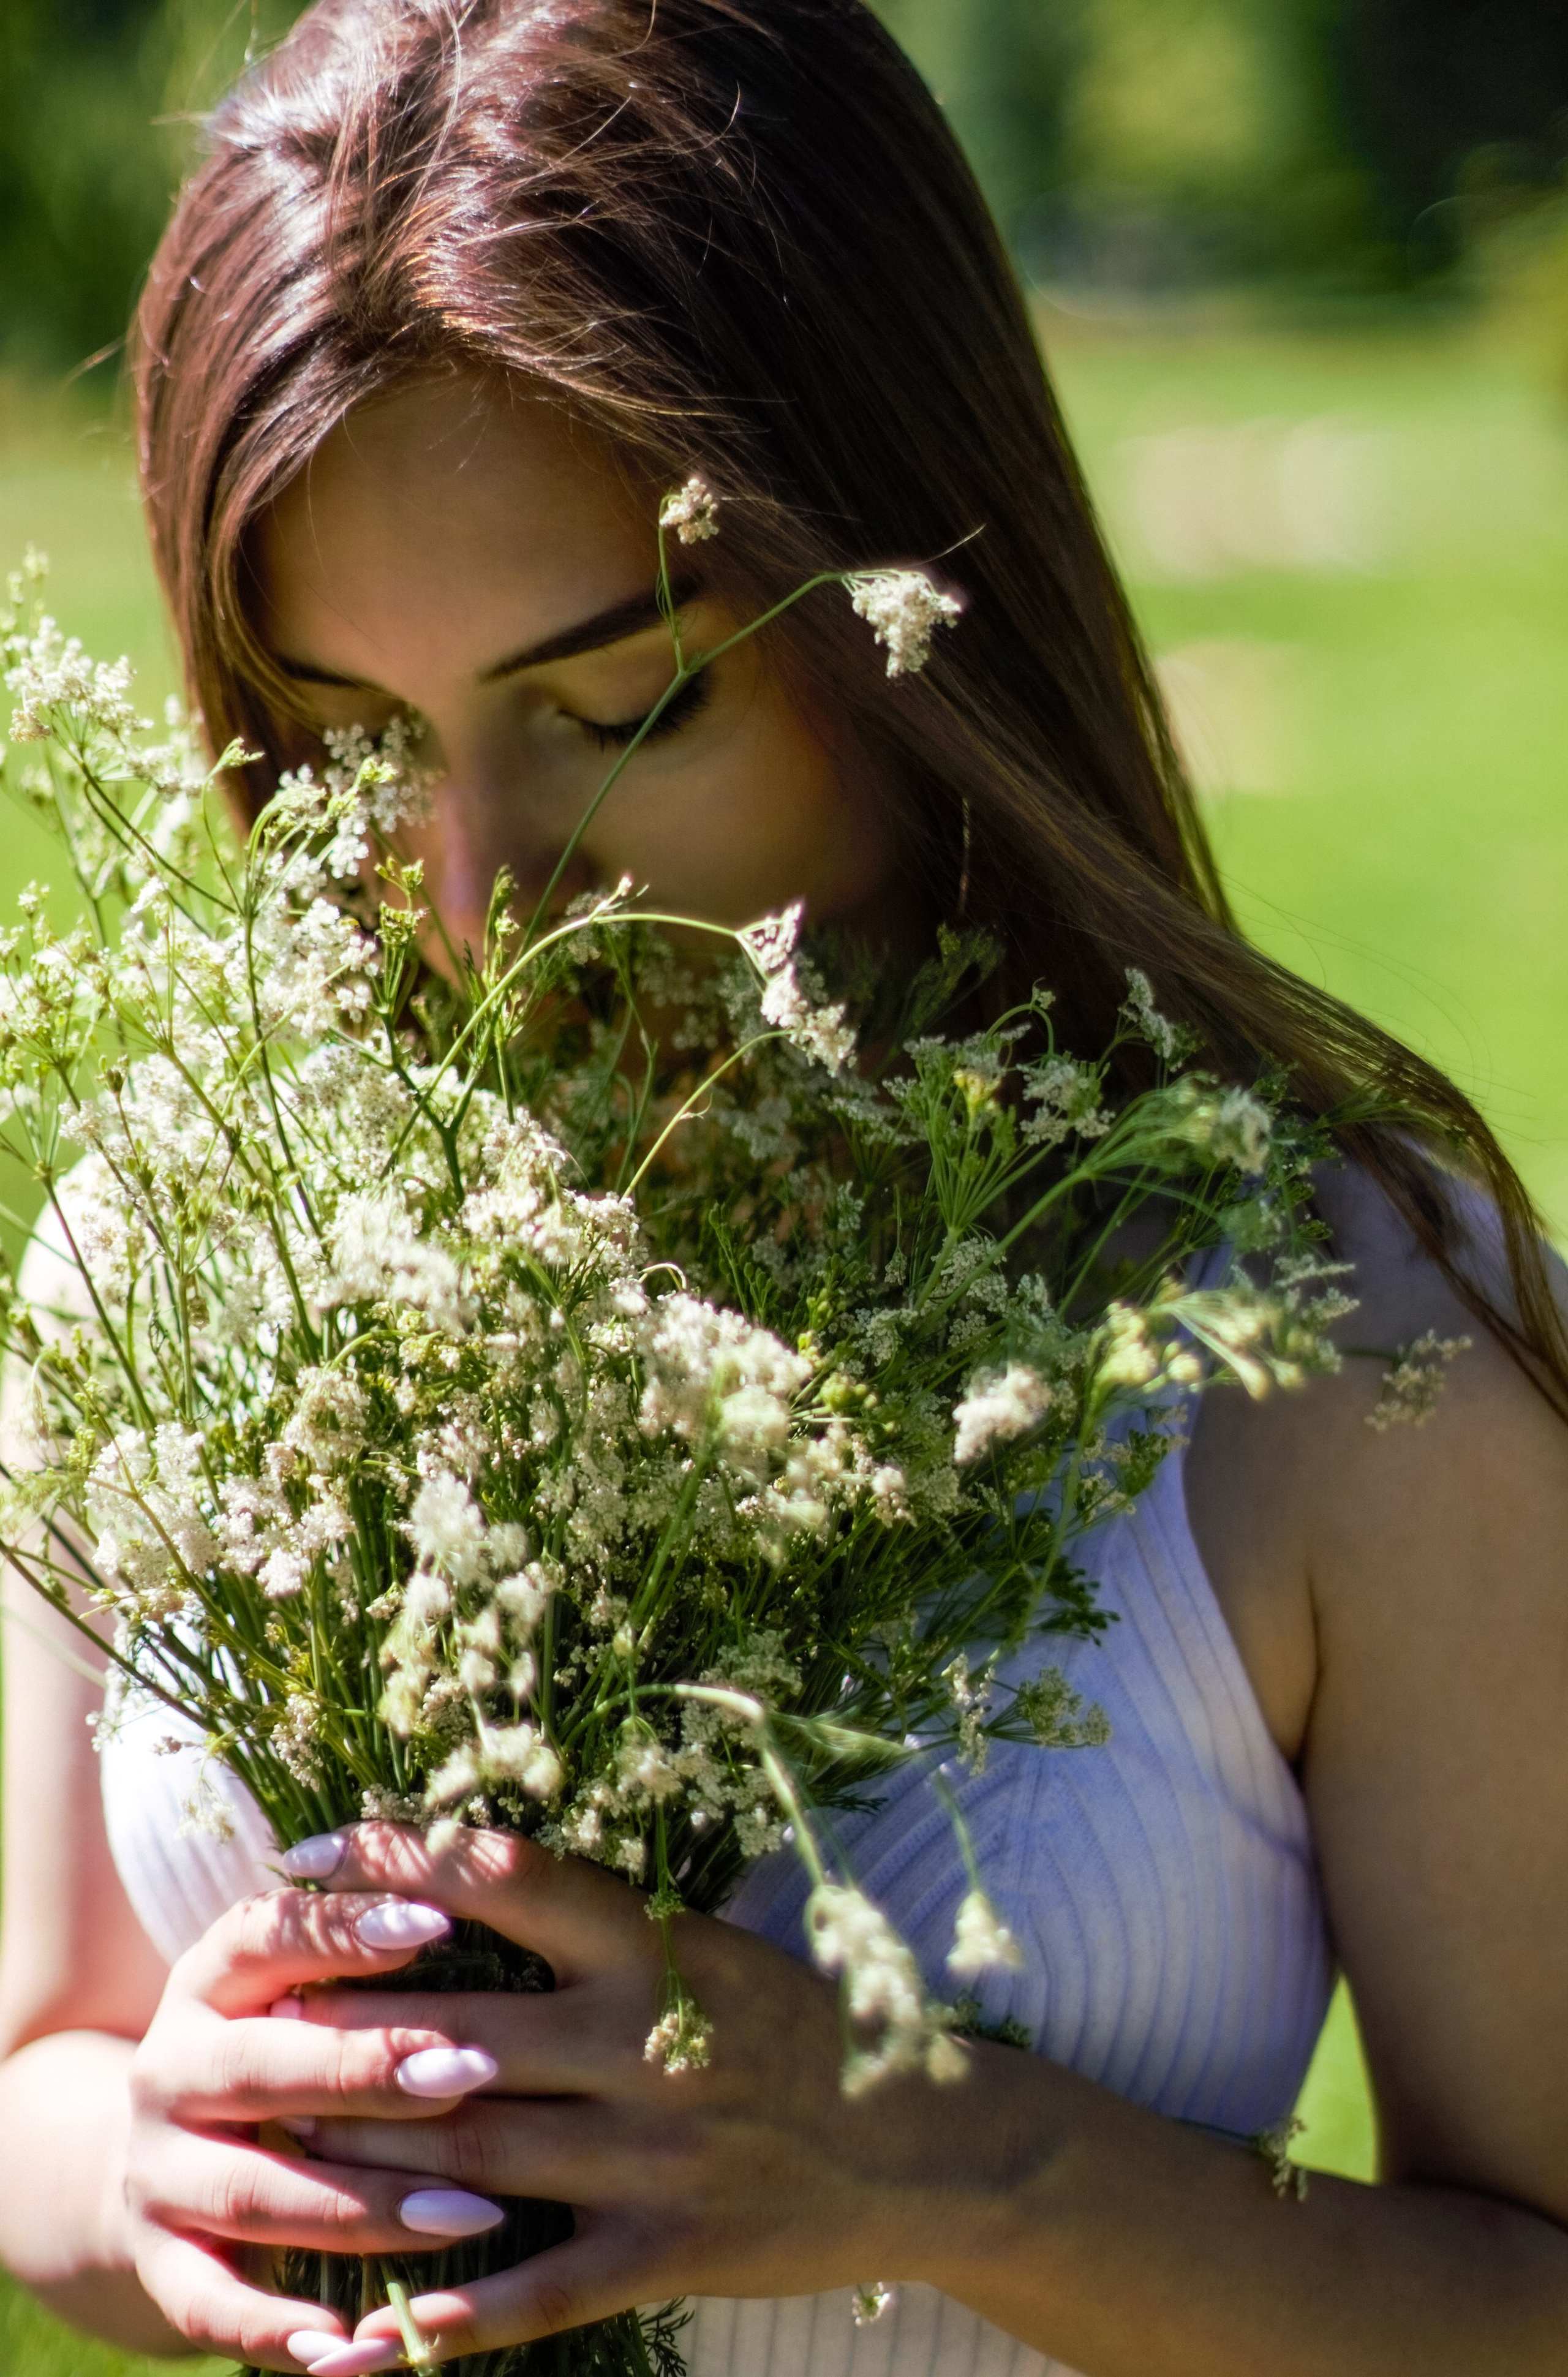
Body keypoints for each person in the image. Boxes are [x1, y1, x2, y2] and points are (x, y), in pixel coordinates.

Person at [4, 2, 1568, 2372]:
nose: (481, 899)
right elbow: (42, 2057)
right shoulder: (175, 1242)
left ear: (919, 603)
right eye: (344, 744)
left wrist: (943, 2154)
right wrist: (150, 2169)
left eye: (627, 707)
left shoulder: (1334, 1325)